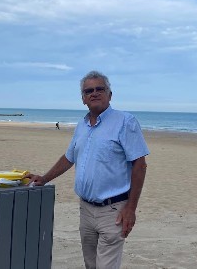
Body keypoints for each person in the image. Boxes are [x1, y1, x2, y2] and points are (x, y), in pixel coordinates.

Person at [27, 71, 149, 269]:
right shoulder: (82, 126)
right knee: (90, 265)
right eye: (88, 91)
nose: (94, 93)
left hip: (113, 211)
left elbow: (140, 165)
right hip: (86, 210)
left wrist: (131, 209)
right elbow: (69, 158)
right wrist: (45, 178)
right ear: (83, 99)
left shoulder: (125, 122)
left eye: (100, 89)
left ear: (110, 94)